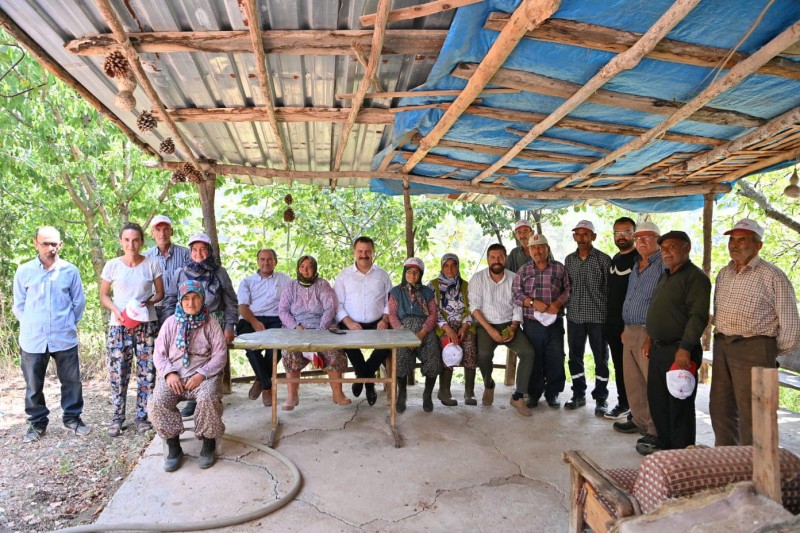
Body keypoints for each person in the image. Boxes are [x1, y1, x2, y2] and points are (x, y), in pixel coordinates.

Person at [711, 219, 800, 446]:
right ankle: (727, 460)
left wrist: (766, 351)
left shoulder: (772, 275)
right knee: (721, 409)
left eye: (742, 240)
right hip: (722, 345)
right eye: (732, 239)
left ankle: (756, 463)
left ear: (758, 245)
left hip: (754, 348)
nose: (735, 244)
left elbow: (791, 326)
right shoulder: (724, 273)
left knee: (755, 413)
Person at [13, 226, 89, 442]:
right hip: (33, 338)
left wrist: (67, 323)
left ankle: (72, 418)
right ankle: (37, 423)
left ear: (60, 245)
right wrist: (32, 323)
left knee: (72, 381)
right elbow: (19, 305)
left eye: (54, 244)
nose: (50, 248)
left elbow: (78, 303)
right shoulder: (24, 271)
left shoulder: (70, 271)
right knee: (33, 384)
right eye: (45, 243)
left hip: (63, 336)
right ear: (35, 243)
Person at [642, 230, 710, 455]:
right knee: (658, 402)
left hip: (680, 349)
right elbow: (657, 309)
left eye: (672, 247)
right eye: (663, 248)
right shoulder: (666, 274)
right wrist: (649, 337)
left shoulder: (695, 277)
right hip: (659, 348)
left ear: (686, 248)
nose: (666, 252)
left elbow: (698, 316)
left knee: (679, 405)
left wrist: (685, 348)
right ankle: (665, 449)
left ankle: (682, 454)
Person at [151, 280, 227, 472]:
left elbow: (220, 355)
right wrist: (169, 374)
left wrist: (202, 374)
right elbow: (158, 354)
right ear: (180, 300)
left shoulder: (211, 323)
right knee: (157, 401)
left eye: (195, 298)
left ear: (202, 299)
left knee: (208, 397)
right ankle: (174, 447)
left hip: (203, 376)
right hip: (174, 376)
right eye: (186, 298)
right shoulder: (170, 323)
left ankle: (208, 443)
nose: (191, 303)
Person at [100, 222, 164, 437]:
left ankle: (143, 417)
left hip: (146, 325)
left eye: (136, 240)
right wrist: (116, 311)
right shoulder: (112, 266)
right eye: (127, 240)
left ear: (142, 242)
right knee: (119, 372)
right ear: (121, 241)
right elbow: (104, 295)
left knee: (147, 372)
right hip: (120, 325)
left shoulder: (152, 264)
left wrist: (148, 302)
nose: (131, 244)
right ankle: (118, 417)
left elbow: (160, 293)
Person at [163, 232, 237, 417]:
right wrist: (170, 325)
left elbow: (231, 301)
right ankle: (191, 397)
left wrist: (230, 326)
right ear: (190, 252)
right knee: (189, 356)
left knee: (213, 359)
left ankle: (209, 396)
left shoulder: (219, 272)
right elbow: (170, 300)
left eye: (203, 249)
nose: (199, 253)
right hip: (185, 324)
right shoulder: (181, 273)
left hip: (213, 322)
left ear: (209, 251)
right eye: (195, 249)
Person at [468, 243, 535, 417]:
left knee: (528, 353)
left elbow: (518, 305)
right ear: (487, 259)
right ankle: (489, 384)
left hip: (508, 324)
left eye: (500, 257)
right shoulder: (478, 279)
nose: (496, 260)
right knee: (483, 354)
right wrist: (490, 330)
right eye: (493, 257)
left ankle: (518, 396)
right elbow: (474, 308)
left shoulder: (514, 278)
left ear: (505, 259)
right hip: (486, 325)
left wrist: (513, 327)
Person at [278, 255, 352, 410]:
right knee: (290, 352)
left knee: (334, 352)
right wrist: (295, 326)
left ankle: (337, 393)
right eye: (302, 267)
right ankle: (292, 396)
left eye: (309, 267)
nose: (305, 270)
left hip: (322, 329)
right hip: (297, 330)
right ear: (298, 268)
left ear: (315, 269)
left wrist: (320, 331)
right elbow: (283, 310)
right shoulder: (291, 286)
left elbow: (330, 308)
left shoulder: (322, 285)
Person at [615, 222, 664, 453]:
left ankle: (655, 429)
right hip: (631, 329)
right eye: (638, 238)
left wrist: (651, 334)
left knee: (651, 382)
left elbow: (662, 302)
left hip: (648, 330)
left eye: (647, 237)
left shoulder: (663, 264)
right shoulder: (637, 264)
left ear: (658, 240)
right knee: (633, 380)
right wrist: (626, 327)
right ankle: (639, 421)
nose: (641, 241)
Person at [334, 236, 393, 407]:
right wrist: (349, 322)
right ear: (354, 252)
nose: (364, 255)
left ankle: (362, 377)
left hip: (378, 322)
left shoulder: (382, 275)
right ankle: (369, 381)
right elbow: (337, 304)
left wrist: (385, 319)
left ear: (373, 252)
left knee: (388, 345)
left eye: (367, 251)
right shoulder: (344, 275)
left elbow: (390, 301)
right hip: (350, 322)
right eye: (360, 251)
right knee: (348, 345)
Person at [513, 234, 571, 409]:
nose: (537, 251)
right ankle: (533, 394)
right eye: (533, 247)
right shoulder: (524, 270)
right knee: (535, 359)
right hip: (532, 324)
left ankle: (552, 394)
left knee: (556, 358)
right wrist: (532, 302)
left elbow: (568, 290)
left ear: (547, 248)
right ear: (529, 250)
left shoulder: (559, 268)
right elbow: (516, 294)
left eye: (540, 247)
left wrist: (558, 303)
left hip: (555, 323)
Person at [564, 220, 612, 415]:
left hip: (598, 317)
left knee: (601, 359)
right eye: (578, 234)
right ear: (574, 236)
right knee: (575, 358)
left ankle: (601, 398)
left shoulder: (604, 260)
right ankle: (578, 394)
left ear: (593, 237)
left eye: (586, 234)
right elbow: (566, 288)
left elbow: (610, 290)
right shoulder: (569, 260)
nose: (581, 238)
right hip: (574, 316)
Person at [237, 248, 290, 407]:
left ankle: (260, 380)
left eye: (269, 259)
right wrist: (254, 322)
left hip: (275, 318)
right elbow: (243, 307)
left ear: (275, 261)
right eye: (262, 259)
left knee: (276, 348)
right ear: (258, 261)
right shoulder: (247, 282)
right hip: (250, 318)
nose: (266, 262)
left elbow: (291, 302)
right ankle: (267, 386)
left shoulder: (284, 279)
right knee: (251, 347)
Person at [388, 258, 441, 412]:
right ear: (404, 273)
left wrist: (422, 333)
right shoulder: (396, 292)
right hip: (403, 330)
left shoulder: (427, 292)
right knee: (401, 357)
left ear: (421, 274)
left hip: (425, 330)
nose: (412, 275)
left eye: (416, 272)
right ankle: (402, 394)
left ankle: (427, 395)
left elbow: (433, 314)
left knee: (433, 356)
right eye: (409, 271)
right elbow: (392, 315)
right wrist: (405, 336)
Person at [428, 253, 478, 406]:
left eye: (453, 265)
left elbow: (472, 308)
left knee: (470, 347)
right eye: (446, 265)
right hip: (443, 326)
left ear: (457, 266)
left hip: (464, 325)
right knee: (449, 348)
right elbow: (432, 311)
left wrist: (465, 326)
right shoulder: (433, 285)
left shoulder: (465, 285)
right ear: (441, 267)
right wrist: (448, 329)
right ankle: (444, 391)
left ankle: (469, 392)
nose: (450, 269)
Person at [605, 217, 638, 421]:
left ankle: (637, 410)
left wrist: (627, 325)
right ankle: (623, 403)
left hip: (632, 326)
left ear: (634, 233)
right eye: (617, 233)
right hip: (612, 325)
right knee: (619, 365)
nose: (621, 236)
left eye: (626, 232)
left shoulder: (640, 259)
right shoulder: (615, 259)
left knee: (634, 369)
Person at [143, 215, 189, 326]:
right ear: (152, 233)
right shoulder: (145, 257)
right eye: (158, 230)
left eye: (166, 229)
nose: (162, 234)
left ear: (171, 232)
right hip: (153, 308)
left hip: (179, 308)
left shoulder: (186, 254)